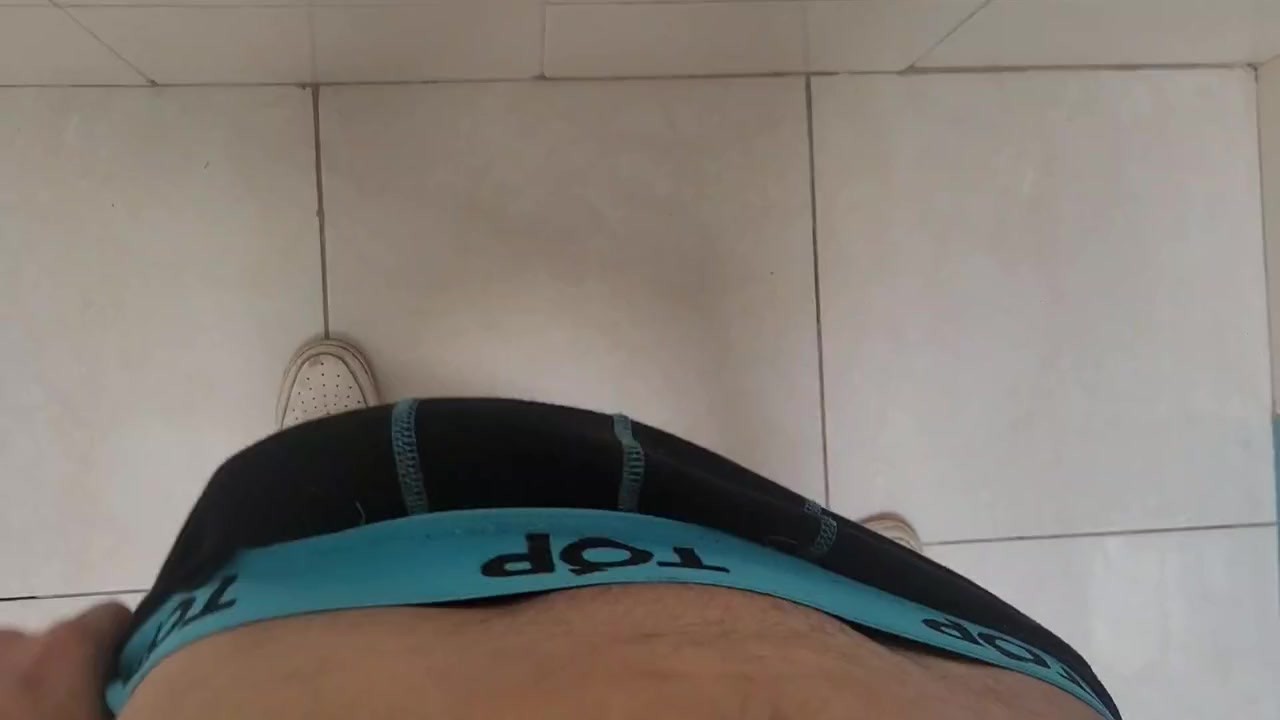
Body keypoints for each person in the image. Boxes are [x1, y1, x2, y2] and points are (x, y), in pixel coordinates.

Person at [1, 340, 1120, 720]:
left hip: (293, 596)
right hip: (969, 673)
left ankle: (842, 605)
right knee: (801, 558)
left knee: (325, 481)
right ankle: (855, 613)